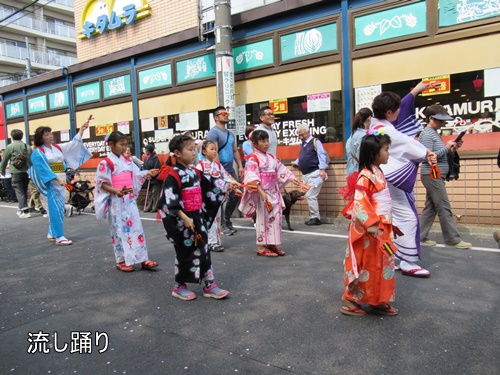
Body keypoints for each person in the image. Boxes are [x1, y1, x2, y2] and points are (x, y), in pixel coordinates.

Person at [370, 83, 437, 277]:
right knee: (408, 216)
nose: (401, 112)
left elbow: (402, 139)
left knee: (389, 216)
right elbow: (405, 143)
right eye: (397, 109)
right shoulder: (389, 132)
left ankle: (393, 254)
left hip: (378, 178)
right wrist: (425, 153)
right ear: (390, 112)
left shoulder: (374, 126)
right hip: (393, 180)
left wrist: (415, 91)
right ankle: (408, 260)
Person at [157, 133, 229, 300]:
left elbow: (212, 184)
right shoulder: (172, 175)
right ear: (177, 153)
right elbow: (170, 201)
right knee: (185, 251)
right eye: (189, 150)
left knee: (204, 249)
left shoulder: (194, 172)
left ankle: (209, 284)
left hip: (197, 217)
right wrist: (184, 217)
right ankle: (179, 285)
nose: (193, 153)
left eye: (194, 149)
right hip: (182, 220)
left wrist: (228, 186)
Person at [341, 131, 399, 316]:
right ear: (374, 153)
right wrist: (371, 224)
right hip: (372, 228)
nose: (388, 153)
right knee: (367, 264)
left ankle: (377, 299)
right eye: (386, 149)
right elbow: (361, 202)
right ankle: (349, 298)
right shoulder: (365, 175)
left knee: (383, 263)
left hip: (382, 225)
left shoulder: (377, 172)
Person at [94, 131, 159, 272]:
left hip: (129, 199)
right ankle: (121, 260)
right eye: (121, 144)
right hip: (116, 201)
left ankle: (142, 257)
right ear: (111, 144)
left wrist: (147, 173)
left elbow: (136, 175)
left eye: (126, 145)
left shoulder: (128, 161)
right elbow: (101, 183)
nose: (124, 148)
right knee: (119, 230)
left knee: (136, 228)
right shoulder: (106, 163)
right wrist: (114, 190)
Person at [239, 130, 304, 257]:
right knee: (263, 218)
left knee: (276, 218)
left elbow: (282, 171)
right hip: (263, 192)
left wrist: (294, 180)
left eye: (267, 140)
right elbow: (251, 176)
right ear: (254, 144)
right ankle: (262, 245)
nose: (266, 143)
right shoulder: (253, 158)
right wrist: (261, 192)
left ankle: (272, 243)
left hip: (274, 192)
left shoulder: (272, 157)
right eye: (263, 141)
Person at [30, 121, 92, 245]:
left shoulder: (57, 148)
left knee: (57, 207)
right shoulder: (38, 152)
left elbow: (72, 144)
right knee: (56, 208)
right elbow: (43, 169)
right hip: (52, 182)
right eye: (47, 134)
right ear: (41, 137)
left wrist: (81, 130)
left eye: (50, 133)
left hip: (61, 180)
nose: (50, 136)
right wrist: (57, 179)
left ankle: (52, 232)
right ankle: (59, 236)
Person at [419, 105, 471, 250]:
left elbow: (439, 155)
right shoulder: (427, 134)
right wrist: (447, 147)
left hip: (433, 174)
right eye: (439, 120)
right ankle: (452, 240)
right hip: (431, 173)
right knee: (443, 206)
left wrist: (452, 149)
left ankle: (419, 237)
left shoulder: (433, 133)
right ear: (431, 118)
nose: (442, 123)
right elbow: (429, 155)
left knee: (431, 208)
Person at [196, 140, 241, 252]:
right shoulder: (200, 166)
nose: (215, 151)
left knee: (217, 219)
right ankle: (211, 242)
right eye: (212, 149)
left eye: (215, 149)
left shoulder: (217, 165)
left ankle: (215, 241)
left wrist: (235, 184)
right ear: (204, 151)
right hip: (206, 199)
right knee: (209, 220)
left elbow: (226, 176)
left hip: (217, 197)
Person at [206, 106, 244, 235]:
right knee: (221, 197)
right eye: (223, 113)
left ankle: (227, 219)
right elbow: (213, 152)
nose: (226, 115)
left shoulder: (230, 134)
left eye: (227, 113)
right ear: (216, 117)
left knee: (235, 195)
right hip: (220, 170)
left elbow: (235, 151)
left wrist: (240, 166)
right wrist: (218, 171)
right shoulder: (213, 133)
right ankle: (222, 224)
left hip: (230, 169)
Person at [291, 123, 328, 226]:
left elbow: (321, 155)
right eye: (299, 135)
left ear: (308, 132)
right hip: (306, 174)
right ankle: (314, 216)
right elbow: (303, 156)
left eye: (302, 135)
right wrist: (297, 162)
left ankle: (315, 217)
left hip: (315, 173)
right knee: (309, 195)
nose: (301, 137)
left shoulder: (315, 142)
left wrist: (322, 169)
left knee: (311, 195)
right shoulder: (303, 144)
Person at [0, 129, 32, 218]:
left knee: (19, 190)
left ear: (12, 137)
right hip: (26, 171)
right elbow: (32, 159)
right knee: (24, 190)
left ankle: (25, 211)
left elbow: (4, 160)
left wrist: (1, 170)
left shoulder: (10, 147)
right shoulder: (27, 146)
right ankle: (20, 208)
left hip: (16, 171)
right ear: (22, 136)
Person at [345, 108, 373, 177]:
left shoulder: (354, 134)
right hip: (361, 173)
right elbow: (363, 157)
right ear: (369, 118)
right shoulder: (363, 136)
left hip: (352, 172)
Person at [142, 143, 161, 212]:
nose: (145, 151)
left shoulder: (155, 158)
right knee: (149, 193)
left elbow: (157, 167)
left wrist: (152, 174)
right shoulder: (146, 158)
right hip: (148, 178)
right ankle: (149, 206)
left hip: (155, 178)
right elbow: (144, 167)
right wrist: (146, 174)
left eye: (146, 150)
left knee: (154, 193)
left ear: (149, 150)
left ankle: (154, 207)